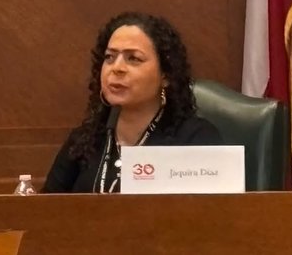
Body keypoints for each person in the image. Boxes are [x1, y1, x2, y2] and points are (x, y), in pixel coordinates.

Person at [44, 12, 222, 193]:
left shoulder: (195, 139)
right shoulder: (85, 140)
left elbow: (216, 214)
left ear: (165, 75)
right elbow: (44, 213)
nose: (117, 68)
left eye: (134, 58)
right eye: (109, 57)